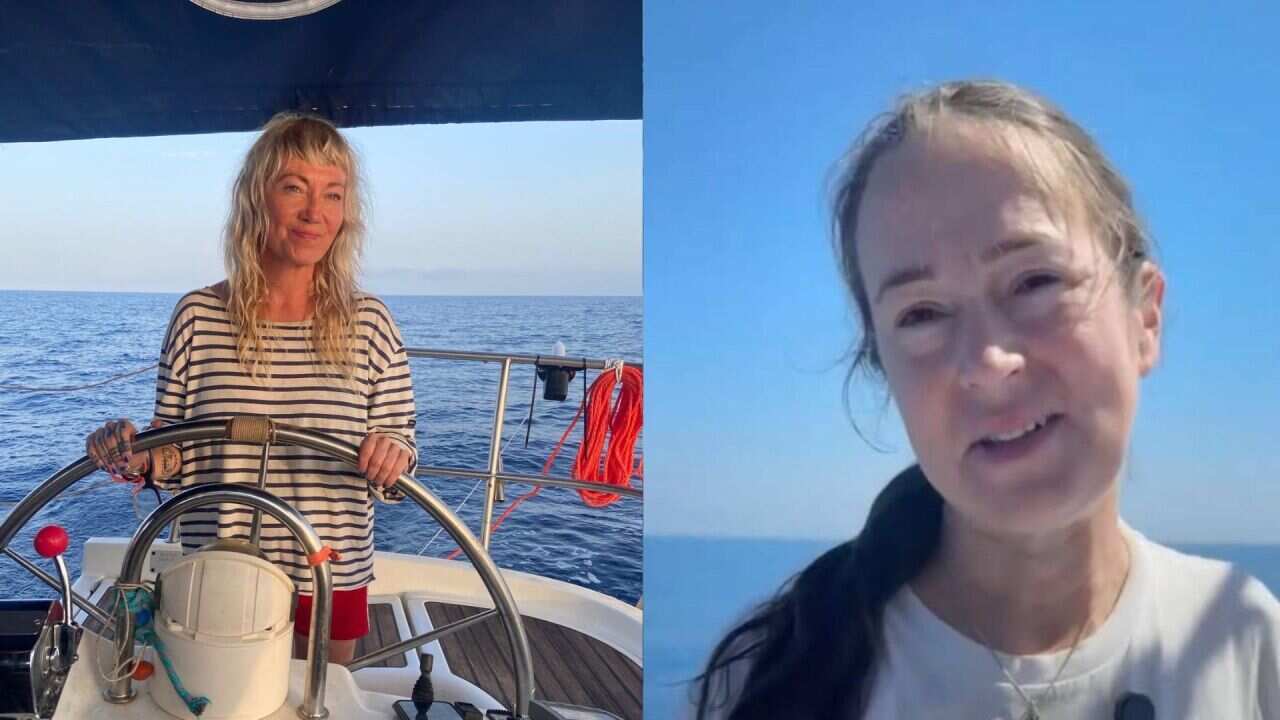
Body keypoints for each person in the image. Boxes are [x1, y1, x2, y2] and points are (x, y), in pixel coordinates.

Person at [693, 80, 1280, 719]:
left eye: (1035, 281)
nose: (989, 363)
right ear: (885, 370)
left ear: (1145, 318)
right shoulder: (767, 684)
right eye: (921, 315)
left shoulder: (1246, 640)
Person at [85, 112, 418, 665]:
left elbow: (401, 458)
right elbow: (175, 452)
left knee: (317, 703)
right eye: (294, 188)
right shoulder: (198, 315)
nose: (316, 212)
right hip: (218, 573)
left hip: (329, 576)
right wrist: (137, 454)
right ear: (256, 199)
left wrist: (392, 454)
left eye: (333, 195)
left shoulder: (371, 323)